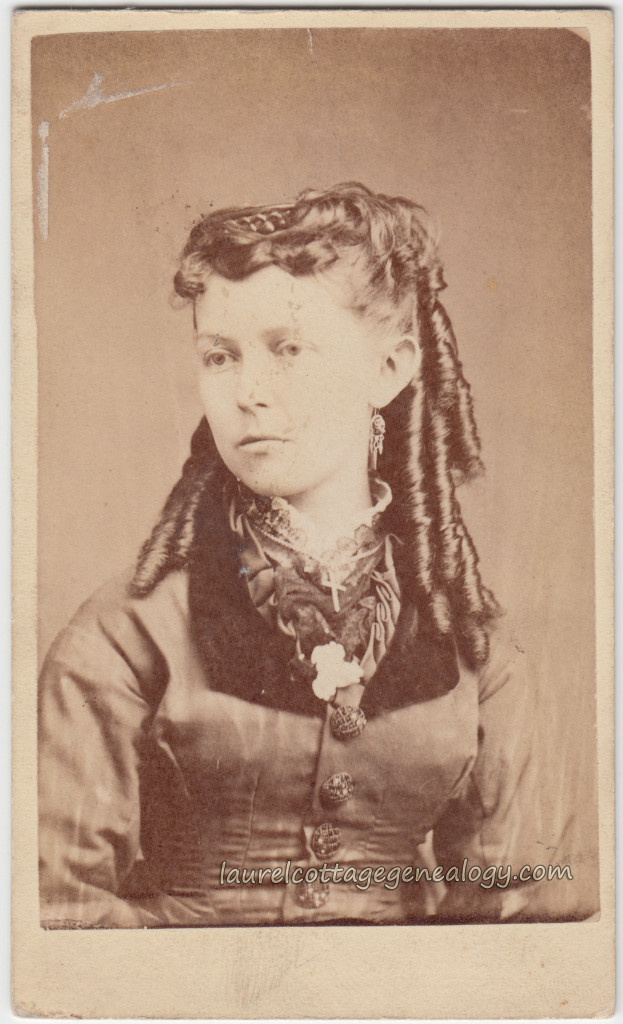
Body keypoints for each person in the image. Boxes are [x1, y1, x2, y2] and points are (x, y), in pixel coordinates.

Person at [38, 182, 574, 928]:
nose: (248, 391)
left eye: (287, 348)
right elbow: (56, 915)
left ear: (388, 370)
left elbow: (527, 904)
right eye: (219, 356)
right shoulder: (126, 632)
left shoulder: (476, 644)